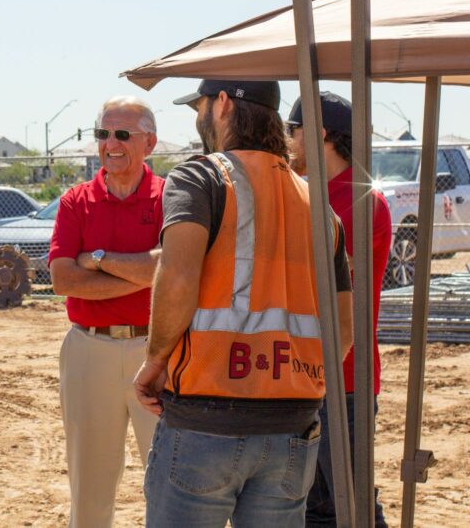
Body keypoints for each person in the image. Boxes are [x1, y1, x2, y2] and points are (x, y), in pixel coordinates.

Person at [134, 80, 354, 528]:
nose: (198, 117)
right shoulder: (320, 206)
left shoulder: (200, 177)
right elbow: (343, 332)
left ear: (222, 104)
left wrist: (155, 361)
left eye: (199, 106)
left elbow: (176, 278)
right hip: (292, 427)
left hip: (206, 419)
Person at [49, 96, 163, 528]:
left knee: (170, 482)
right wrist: (143, 273)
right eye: (102, 134)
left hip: (158, 350)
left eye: (122, 134)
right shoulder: (76, 201)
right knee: (90, 487)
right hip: (88, 349)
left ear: (149, 142)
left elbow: (172, 267)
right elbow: (63, 280)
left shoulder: (171, 196)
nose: (110, 144)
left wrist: (96, 257)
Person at [287, 92, 391, 527]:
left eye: (293, 133)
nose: (288, 143)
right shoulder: (312, 195)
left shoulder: (360, 200)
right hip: (304, 375)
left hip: (344, 379)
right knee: (313, 507)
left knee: (351, 508)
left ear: (320, 134)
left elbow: (316, 283)